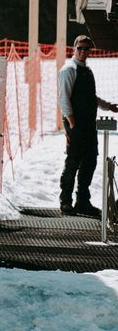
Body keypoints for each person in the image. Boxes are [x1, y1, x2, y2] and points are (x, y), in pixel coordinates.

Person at [57, 35, 118, 217]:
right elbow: (63, 98)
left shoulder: (86, 71)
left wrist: (109, 106)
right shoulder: (69, 70)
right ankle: (66, 201)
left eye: (86, 49)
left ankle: (83, 201)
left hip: (89, 123)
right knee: (73, 161)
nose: (83, 52)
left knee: (90, 161)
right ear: (74, 49)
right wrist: (72, 122)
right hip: (75, 123)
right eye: (80, 48)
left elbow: (92, 97)